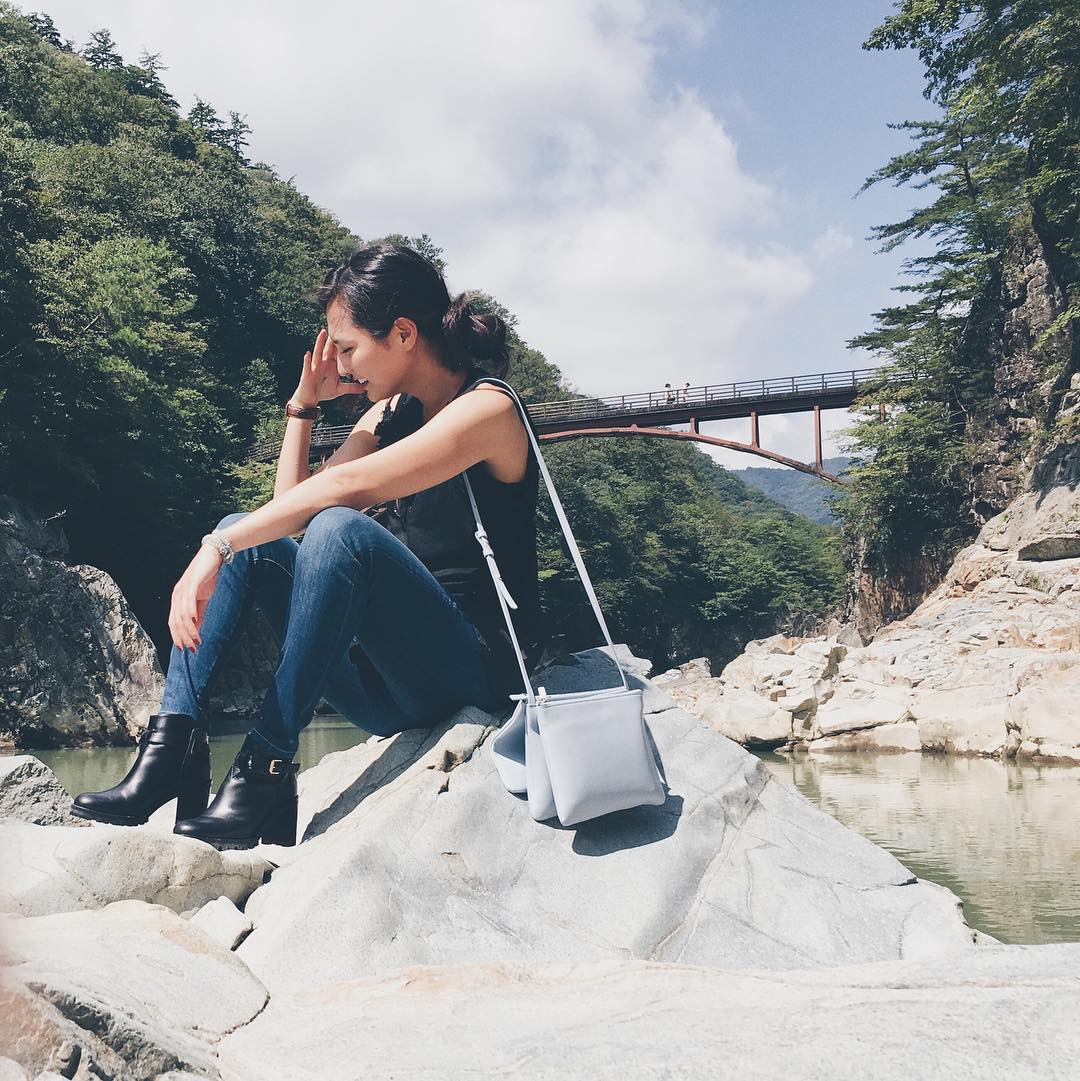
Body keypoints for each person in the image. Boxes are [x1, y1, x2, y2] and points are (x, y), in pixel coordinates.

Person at [71, 241, 550, 850]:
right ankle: (173, 750)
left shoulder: (489, 409)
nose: (344, 368)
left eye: (348, 348)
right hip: (385, 688)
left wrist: (213, 547)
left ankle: (266, 767)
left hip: (477, 671)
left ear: (403, 334)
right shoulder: (386, 416)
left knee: (336, 529)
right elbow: (287, 514)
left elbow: (342, 493)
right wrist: (302, 410)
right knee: (250, 532)